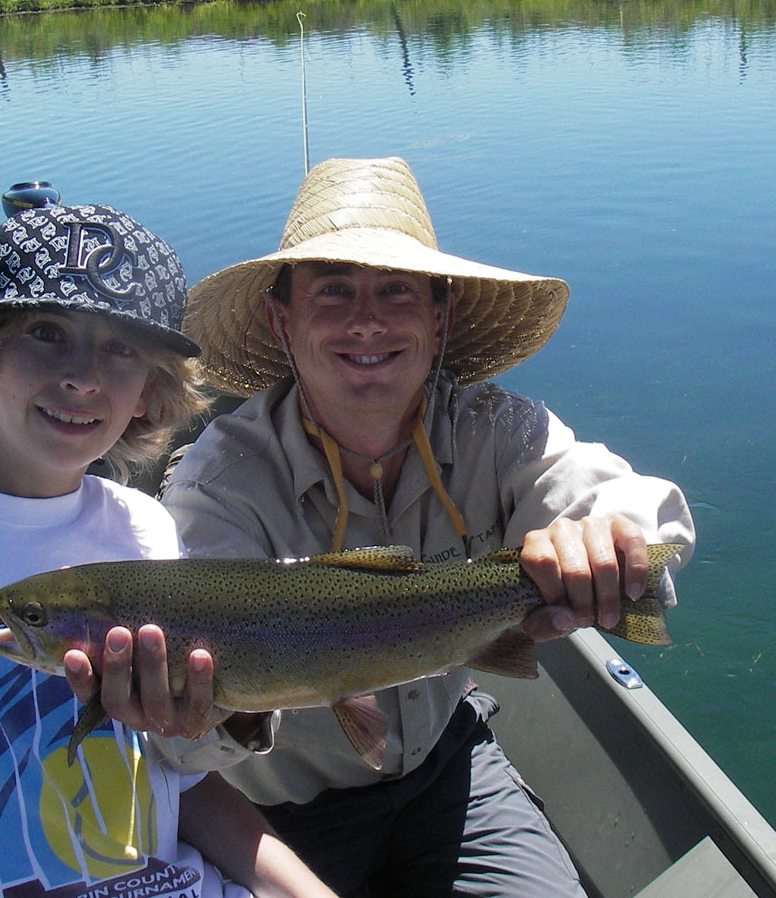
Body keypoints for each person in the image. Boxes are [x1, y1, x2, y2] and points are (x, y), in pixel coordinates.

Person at [64, 158, 696, 898]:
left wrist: (612, 541)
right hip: (279, 816)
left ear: (440, 317)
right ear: (282, 322)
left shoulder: (496, 429)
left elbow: (616, 493)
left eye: (395, 289)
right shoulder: (218, 486)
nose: (366, 320)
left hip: (450, 770)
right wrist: (197, 716)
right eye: (333, 291)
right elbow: (193, 747)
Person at [0, 203, 340, 898]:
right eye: (46, 333)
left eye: (121, 350)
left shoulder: (142, 529)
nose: (81, 376)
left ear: (149, 392)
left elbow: (183, 783)